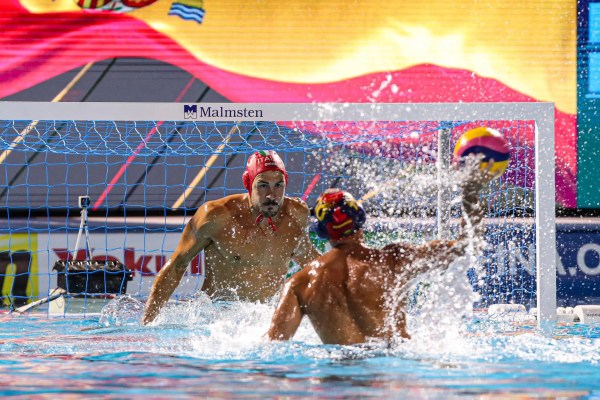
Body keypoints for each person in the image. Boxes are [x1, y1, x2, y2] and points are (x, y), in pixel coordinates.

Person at [267, 161, 494, 345]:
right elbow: (466, 245)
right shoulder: (394, 260)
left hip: (338, 377)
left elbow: (273, 348)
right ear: (360, 220)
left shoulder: (300, 283)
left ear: (323, 231)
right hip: (394, 371)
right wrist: (471, 192)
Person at [142, 150, 320, 325]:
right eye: (263, 185)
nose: (272, 195)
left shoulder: (296, 214)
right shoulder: (216, 216)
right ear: (248, 183)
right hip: (216, 322)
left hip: (265, 318)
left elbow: (308, 259)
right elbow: (177, 265)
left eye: (279, 185)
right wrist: (148, 322)